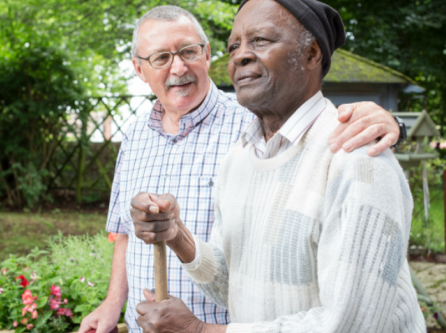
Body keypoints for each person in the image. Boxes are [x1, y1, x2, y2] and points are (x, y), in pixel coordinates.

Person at [78, 4, 406, 333]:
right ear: (139, 69)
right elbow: (230, 282)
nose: (240, 56)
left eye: (260, 40)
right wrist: (176, 234)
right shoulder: (243, 155)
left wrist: (198, 330)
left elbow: (354, 325)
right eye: (234, 46)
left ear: (311, 53)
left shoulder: (355, 155)